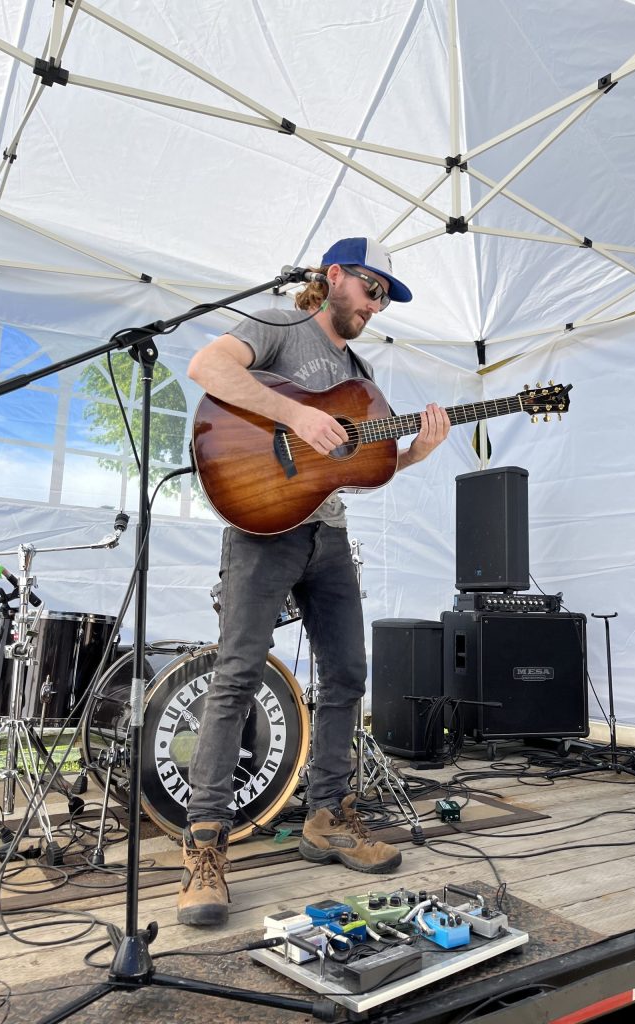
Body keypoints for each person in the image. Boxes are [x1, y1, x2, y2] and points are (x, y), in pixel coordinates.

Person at [177, 236, 450, 926]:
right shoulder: (280, 326)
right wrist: (296, 414)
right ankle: (205, 844)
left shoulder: (360, 374)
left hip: (327, 535)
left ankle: (326, 815)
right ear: (334, 277)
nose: (377, 304)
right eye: (371, 288)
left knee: (348, 675)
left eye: (386, 297)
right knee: (237, 675)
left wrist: (415, 453)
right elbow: (207, 366)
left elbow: (355, 467)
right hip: (261, 527)